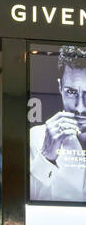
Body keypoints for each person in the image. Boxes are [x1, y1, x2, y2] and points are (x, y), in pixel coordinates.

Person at [31, 45, 86, 202]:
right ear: (60, 86)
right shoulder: (34, 139)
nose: (80, 108)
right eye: (71, 92)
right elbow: (17, 210)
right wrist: (46, 156)